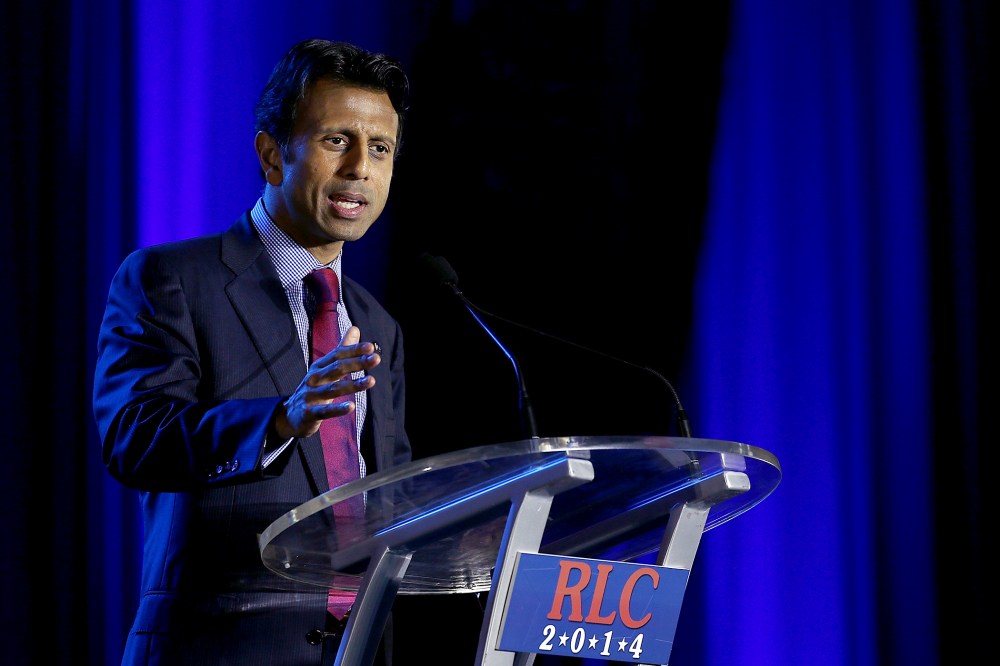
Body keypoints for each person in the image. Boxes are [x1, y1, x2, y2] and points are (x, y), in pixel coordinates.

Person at [93, 38, 412, 666]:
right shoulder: (171, 278)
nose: (360, 170)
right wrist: (282, 420)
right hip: (217, 647)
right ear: (272, 154)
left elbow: (389, 497)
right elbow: (133, 438)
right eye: (335, 140)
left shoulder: (377, 323)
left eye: (380, 149)